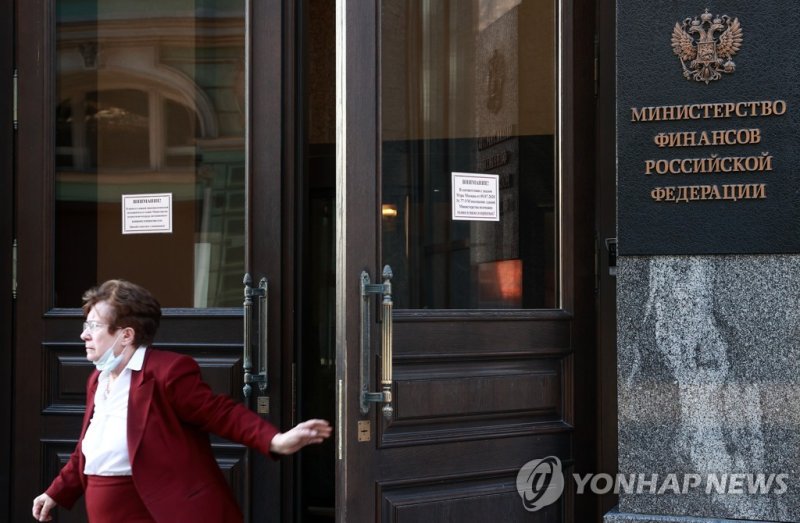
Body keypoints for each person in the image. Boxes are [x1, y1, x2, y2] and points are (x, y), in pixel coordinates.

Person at [31, 279, 331, 522]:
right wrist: (56, 493)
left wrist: (274, 440)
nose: (84, 335)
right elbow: (89, 450)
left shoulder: (167, 372)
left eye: (93, 326)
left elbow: (219, 413)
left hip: (158, 512)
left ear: (125, 335)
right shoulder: (98, 380)